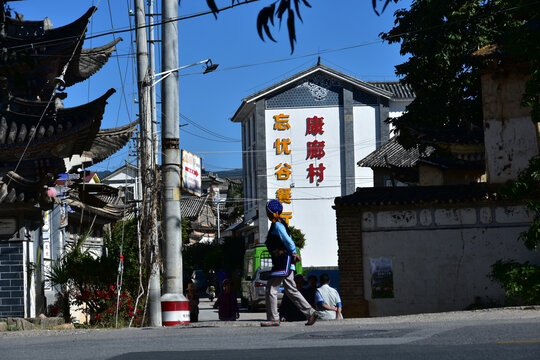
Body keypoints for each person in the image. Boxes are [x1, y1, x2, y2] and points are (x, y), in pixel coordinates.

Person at [261, 199, 320, 327]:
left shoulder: (277, 225)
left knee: (271, 289)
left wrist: (293, 252)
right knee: (291, 290)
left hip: (282, 262)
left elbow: (288, 241)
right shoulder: (281, 223)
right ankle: (311, 313)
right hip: (287, 262)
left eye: (268, 211)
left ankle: (273, 319)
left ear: (270, 212)